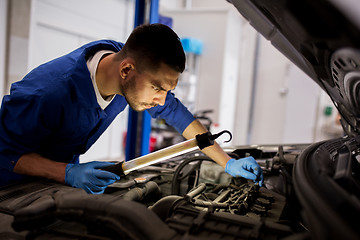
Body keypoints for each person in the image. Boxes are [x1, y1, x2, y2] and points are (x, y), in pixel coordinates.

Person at [0, 24, 263, 194]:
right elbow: (4, 154)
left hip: (54, 182)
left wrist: (228, 162)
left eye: (167, 91)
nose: (162, 100)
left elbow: (175, 113)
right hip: (11, 191)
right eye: (158, 88)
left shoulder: (126, 68)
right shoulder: (49, 94)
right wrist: (67, 173)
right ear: (126, 70)